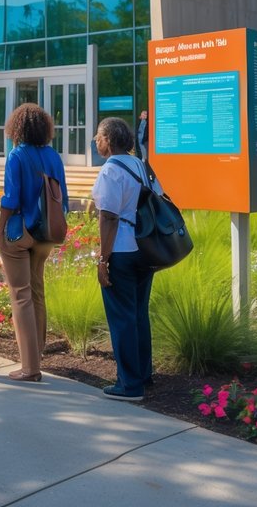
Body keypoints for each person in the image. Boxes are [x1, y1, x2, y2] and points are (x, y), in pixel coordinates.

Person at [0, 103, 68, 383]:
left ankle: (30, 367)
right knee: (37, 291)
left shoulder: (17, 155)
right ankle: (36, 353)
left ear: (17, 127)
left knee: (21, 295)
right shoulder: (53, 156)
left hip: (21, 232)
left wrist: (1, 230)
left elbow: (11, 198)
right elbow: (63, 195)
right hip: (46, 233)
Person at [92, 116, 160, 401]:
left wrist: (102, 260)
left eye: (98, 135)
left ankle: (129, 385)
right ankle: (143, 374)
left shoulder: (110, 171)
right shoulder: (141, 166)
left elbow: (108, 218)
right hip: (145, 250)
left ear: (108, 140)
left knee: (121, 318)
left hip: (121, 252)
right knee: (138, 314)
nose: (96, 141)